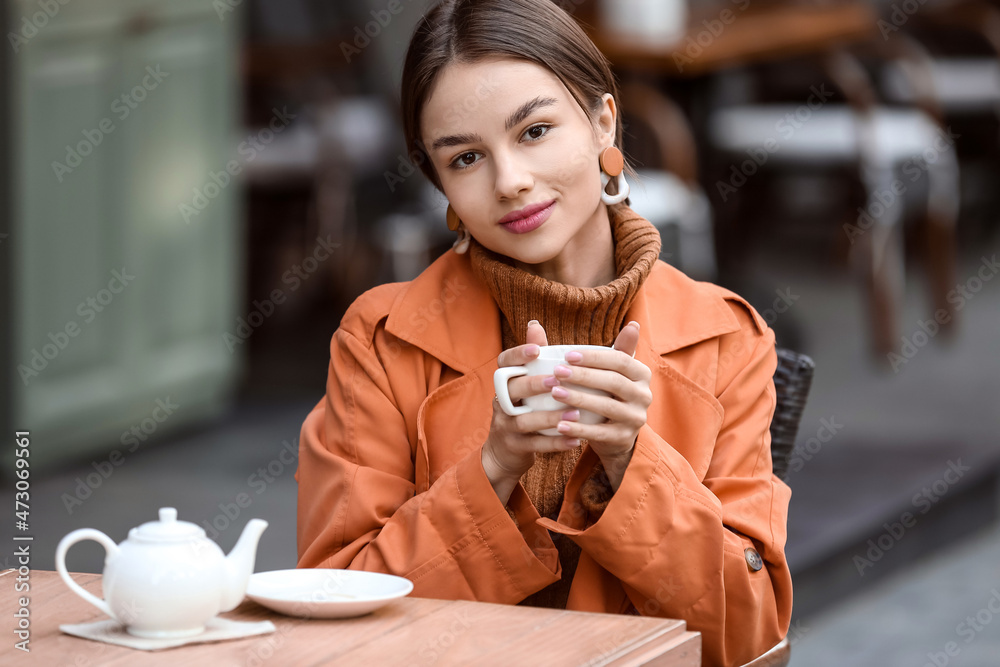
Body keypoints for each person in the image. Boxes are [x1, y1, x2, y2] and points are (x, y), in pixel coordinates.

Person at [295, 1, 792, 664]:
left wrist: (632, 464)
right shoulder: (380, 340)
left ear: (601, 123)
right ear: (439, 184)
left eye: (534, 131)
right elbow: (338, 618)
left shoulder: (725, 339)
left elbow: (751, 635)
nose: (511, 181)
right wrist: (492, 470)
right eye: (467, 157)